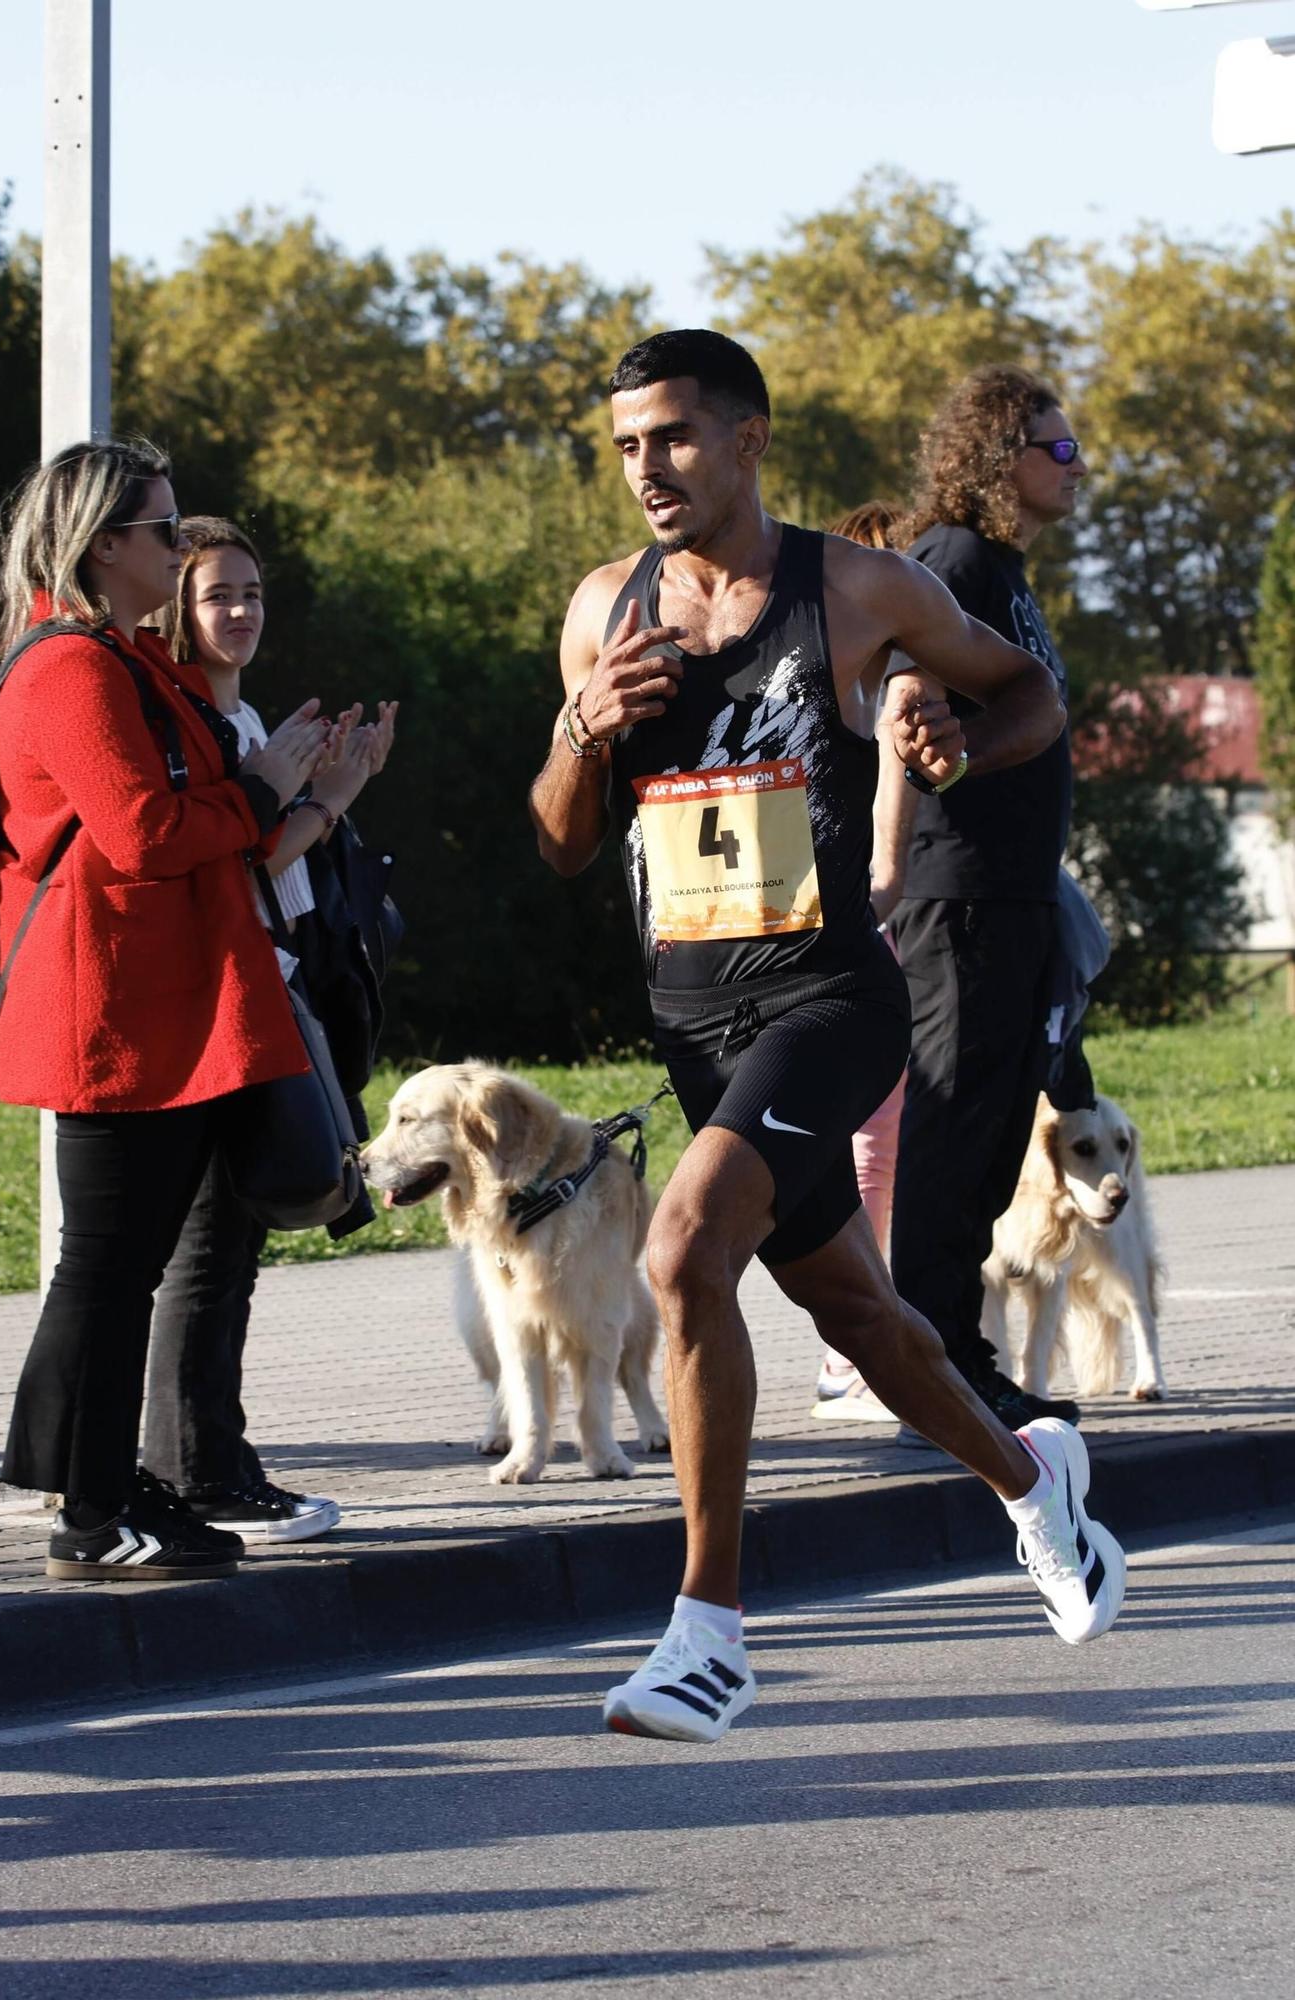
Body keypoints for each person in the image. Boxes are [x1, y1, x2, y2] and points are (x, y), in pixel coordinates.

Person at [529, 330, 1126, 1743]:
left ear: (747, 439)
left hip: (828, 1000)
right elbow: (559, 843)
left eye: (672, 437)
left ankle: (707, 1633)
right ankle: (1034, 1483)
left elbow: (1029, 692)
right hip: (692, 1019)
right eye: (624, 446)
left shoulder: (854, 587)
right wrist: (581, 728)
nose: (646, 468)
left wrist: (962, 748)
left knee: (682, 1252)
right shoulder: (604, 608)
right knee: (861, 1320)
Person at [0, 440, 331, 1581]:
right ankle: (91, 1513)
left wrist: (271, 789)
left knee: (122, 1265)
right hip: (112, 1013)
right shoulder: (69, 670)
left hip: (162, 1006)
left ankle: (106, 1485)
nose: (180, 548)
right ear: (103, 544)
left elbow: (188, 815)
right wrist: (266, 787)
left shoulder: (128, 661)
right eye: (163, 529)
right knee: (106, 1265)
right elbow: (143, 835)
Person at [142, 516, 397, 1541]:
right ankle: (196, 1467)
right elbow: (236, 862)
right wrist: (327, 797)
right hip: (221, 1006)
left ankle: (203, 1459)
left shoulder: (243, 719)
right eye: (217, 595)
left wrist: (333, 785)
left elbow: (267, 858)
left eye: (252, 592)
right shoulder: (190, 722)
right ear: (175, 609)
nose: (242, 611)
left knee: (230, 1244)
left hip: (271, 990)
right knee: (210, 1247)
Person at [885, 366, 1097, 1447]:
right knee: (952, 1132)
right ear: (997, 458)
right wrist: (894, 845)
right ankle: (929, 1375)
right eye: (1057, 448)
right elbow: (899, 694)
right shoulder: (953, 560)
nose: (1076, 466)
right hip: (958, 896)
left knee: (993, 1129)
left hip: (1009, 897)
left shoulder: (1001, 570)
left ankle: (957, 1363)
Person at [812, 501, 927, 1424]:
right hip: (823, 944)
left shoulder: (888, 688)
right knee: (858, 1157)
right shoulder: (865, 689)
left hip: (847, 936)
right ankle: (850, 1354)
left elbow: (887, 865)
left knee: (869, 1154)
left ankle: (852, 1352)